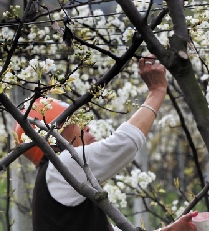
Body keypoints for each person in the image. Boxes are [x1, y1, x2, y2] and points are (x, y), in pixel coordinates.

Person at [15, 56, 198, 231]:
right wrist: (157, 90)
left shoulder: (55, 178)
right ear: (53, 138)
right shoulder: (60, 169)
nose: (85, 126)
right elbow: (125, 143)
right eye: (73, 122)